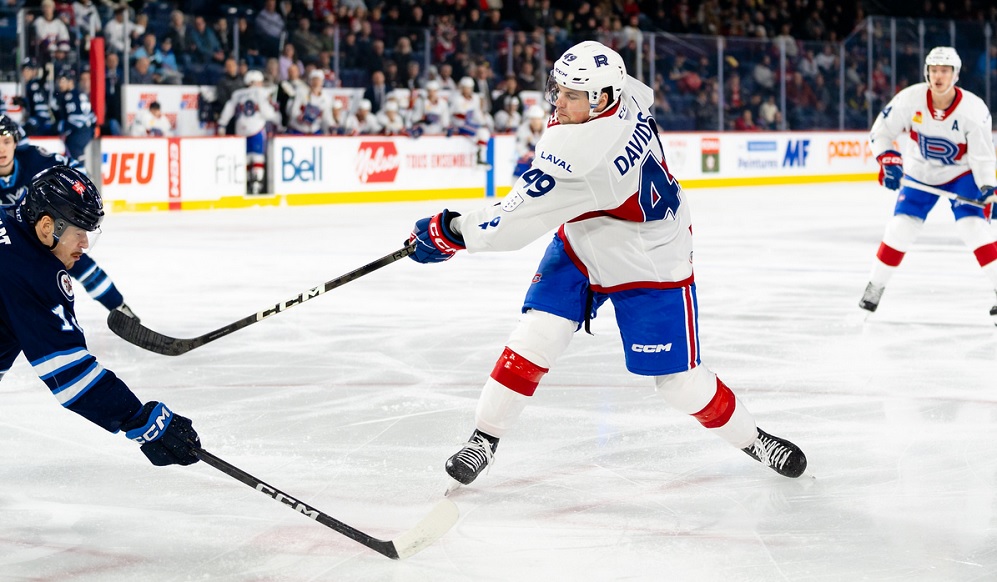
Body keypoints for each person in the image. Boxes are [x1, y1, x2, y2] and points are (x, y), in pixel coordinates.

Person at [405, 41, 808, 491]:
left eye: (572, 95)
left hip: (649, 259)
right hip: (587, 238)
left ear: (601, 100)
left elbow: (510, 225)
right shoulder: (625, 93)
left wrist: (449, 231)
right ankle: (484, 438)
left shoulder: (582, 155)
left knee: (678, 383)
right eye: (558, 89)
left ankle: (754, 440)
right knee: (537, 335)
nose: (558, 101)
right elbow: (638, 91)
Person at [0, 164, 200, 467]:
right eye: (79, 232)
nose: (84, 244)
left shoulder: (12, 220)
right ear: (46, 226)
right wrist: (140, 420)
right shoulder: (31, 275)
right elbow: (70, 375)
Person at [861, 47, 997, 324]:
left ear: (955, 75)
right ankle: (875, 287)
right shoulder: (909, 100)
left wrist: (989, 189)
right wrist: (888, 160)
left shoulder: (974, 110)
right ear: (927, 72)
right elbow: (881, 132)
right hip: (920, 174)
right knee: (899, 229)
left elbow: (982, 157)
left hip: (962, 175)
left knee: (973, 228)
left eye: (944, 71)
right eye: (934, 70)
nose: (938, 76)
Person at [0, 115, 137, 318]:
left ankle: (120, 308)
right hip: (9, 240)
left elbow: (75, 172)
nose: (1, 149)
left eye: (6, 141)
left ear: (15, 143)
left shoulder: (35, 158)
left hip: (45, 233)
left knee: (80, 262)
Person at [217, 70, 281, 195]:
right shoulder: (261, 92)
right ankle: (256, 186)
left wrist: (222, 124)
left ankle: (245, 185)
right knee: (257, 157)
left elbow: (228, 110)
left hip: (241, 129)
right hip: (256, 128)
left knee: (245, 158)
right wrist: (278, 120)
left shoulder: (238, 94)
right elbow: (267, 112)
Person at [52, 69, 98, 164]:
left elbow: (75, 119)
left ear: (70, 82)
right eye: (59, 81)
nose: (60, 84)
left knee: (75, 161)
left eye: (63, 81)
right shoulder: (81, 94)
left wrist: (61, 127)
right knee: (76, 159)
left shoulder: (69, 96)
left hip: (78, 133)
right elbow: (92, 117)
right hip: (86, 131)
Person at [450, 76, 492, 166]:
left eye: (469, 88)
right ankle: (477, 154)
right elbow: (456, 115)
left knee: (484, 132)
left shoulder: (475, 98)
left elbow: (477, 113)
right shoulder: (457, 98)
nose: (468, 90)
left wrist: (483, 123)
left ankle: (481, 157)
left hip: (470, 124)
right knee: (477, 133)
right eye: (466, 88)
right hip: (459, 124)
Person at [286, 69, 335, 135]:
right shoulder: (301, 92)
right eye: (314, 80)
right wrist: (299, 116)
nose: (316, 82)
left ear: (322, 81)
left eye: (318, 80)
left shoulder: (326, 98)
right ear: (310, 81)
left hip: (314, 130)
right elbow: (293, 109)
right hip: (298, 129)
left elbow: (327, 116)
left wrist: (331, 125)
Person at [512, 104, 546, 179]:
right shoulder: (522, 129)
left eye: (537, 119)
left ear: (541, 119)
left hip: (544, 159)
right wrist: (527, 154)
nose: (535, 122)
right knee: (518, 175)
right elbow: (519, 146)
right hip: (527, 159)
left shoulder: (548, 129)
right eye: (533, 119)